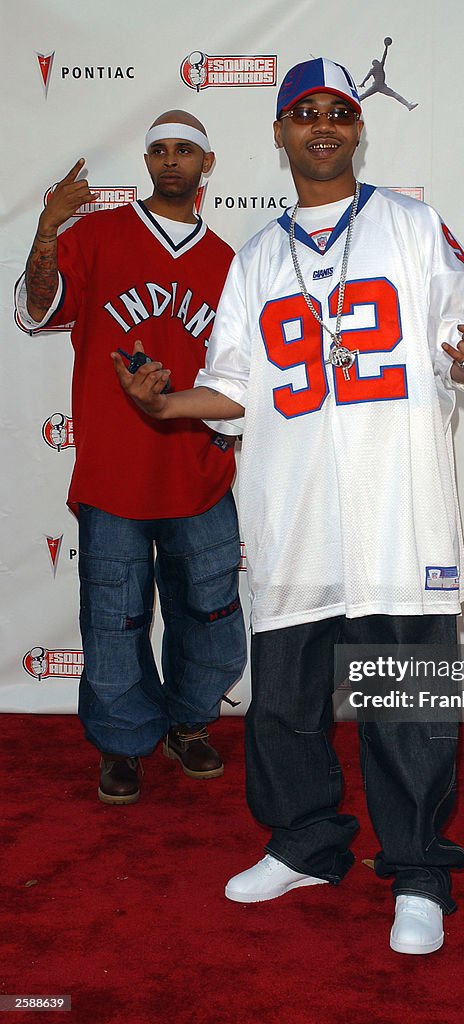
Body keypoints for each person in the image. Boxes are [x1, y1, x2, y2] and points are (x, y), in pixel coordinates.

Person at [112, 58, 464, 954]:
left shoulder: (410, 226)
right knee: (285, 701)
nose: (321, 126)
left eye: (337, 112)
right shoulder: (255, 259)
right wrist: (165, 403)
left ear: (358, 129)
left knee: (408, 700)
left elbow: (463, 336)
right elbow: (233, 386)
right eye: (303, 114)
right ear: (280, 133)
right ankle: (305, 843)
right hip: (295, 522)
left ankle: (417, 873)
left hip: (399, 515)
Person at [15, 110, 247, 806]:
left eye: (185, 151)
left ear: (208, 163)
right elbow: (36, 308)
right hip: (116, 470)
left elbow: (243, 373)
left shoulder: (230, 263)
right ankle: (122, 741)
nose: (171, 161)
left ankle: (188, 722)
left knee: (211, 613)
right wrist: (48, 229)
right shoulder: (97, 236)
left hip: (199, 469)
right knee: (112, 619)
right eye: (159, 151)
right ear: (147, 162)